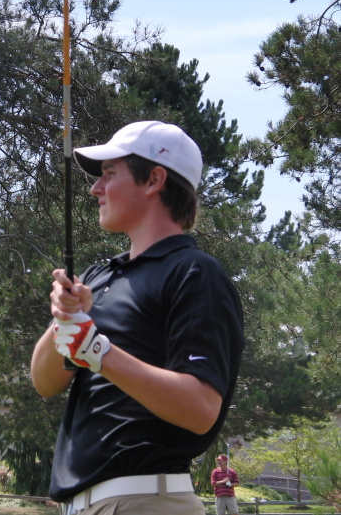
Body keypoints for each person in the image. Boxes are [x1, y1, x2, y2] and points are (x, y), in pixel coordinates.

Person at [31, 121, 245, 515]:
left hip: (146, 501)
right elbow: (45, 383)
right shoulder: (99, 276)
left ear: (154, 180)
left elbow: (200, 409)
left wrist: (97, 350)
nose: (95, 188)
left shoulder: (195, 273)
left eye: (110, 173)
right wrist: (66, 319)